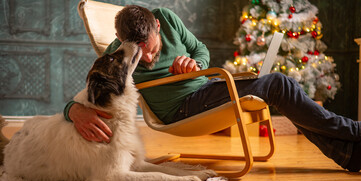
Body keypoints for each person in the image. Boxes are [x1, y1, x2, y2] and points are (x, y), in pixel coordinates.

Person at [63, 5, 361, 172]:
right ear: (118, 37)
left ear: (156, 25)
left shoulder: (166, 18)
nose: (149, 58)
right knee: (279, 84)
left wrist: (194, 63)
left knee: (281, 89)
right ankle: (354, 132)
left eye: (151, 48)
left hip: (207, 88)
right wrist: (73, 110)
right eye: (140, 52)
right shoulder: (117, 54)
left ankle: (348, 155)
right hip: (182, 109)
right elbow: (90, 92)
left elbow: (201, 49)